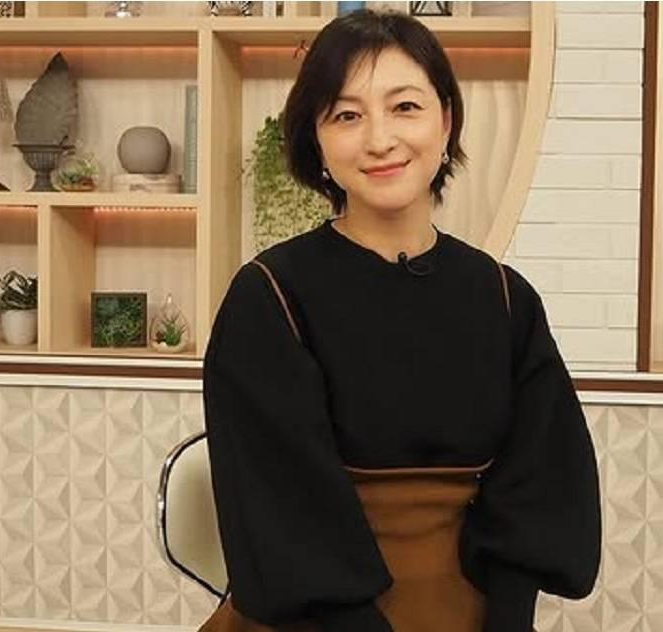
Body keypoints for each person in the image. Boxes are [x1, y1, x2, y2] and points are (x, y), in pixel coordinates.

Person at [199, 9, 601, 632]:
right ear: (316, 140)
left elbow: (541, 486)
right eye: (347, 115)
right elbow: (282, 513)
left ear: (446, 121)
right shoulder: (268, 297)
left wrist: (506, 621)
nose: (380, 139)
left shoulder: (504, 298)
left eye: (405, 107)